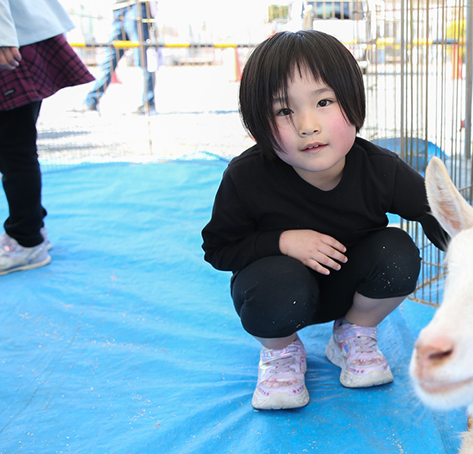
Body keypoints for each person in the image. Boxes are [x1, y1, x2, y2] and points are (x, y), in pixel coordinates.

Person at [201, 30, 449, 410]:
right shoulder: (246, 177)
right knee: (274, 287)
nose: (307, 124)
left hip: (350, 289)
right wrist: (283, 241)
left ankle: (354, 333)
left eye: (324, 102)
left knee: (398, 251)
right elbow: (218, 249)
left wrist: (469, 246)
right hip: (279, 293)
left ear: (354, 104)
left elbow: (430, 209)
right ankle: (281, 355)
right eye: (284, 111)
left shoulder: (378, 168)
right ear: (257, 127)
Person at [0, 0, 94, 277]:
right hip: (9, 32)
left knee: (12, 146)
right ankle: (30, 229)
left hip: (5, 38)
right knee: (13, 144)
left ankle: (27, 239)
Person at [74, 0, 156, 115]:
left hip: (136, 6)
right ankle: (91, 101)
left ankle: (148, 103)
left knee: (142, 59)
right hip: (116, 9)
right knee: (109, 59)